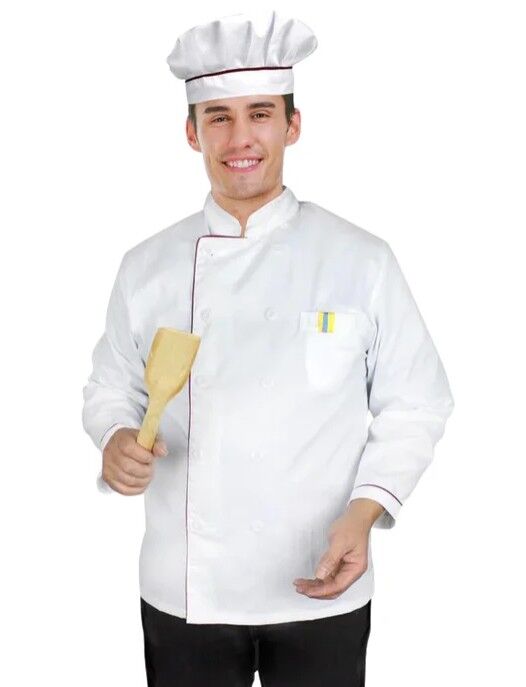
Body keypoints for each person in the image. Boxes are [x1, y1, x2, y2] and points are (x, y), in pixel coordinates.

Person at [82, 10, 455, 686]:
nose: (240, 138)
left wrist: (366, 509)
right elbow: (111, 387)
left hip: (324, 568)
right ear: (192, 133)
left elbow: (417, 401)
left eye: (259, 114)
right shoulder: (147, 266)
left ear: (293, 125)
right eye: (218, 117)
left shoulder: (361, 259)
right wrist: (114, 437)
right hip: (184, 585)